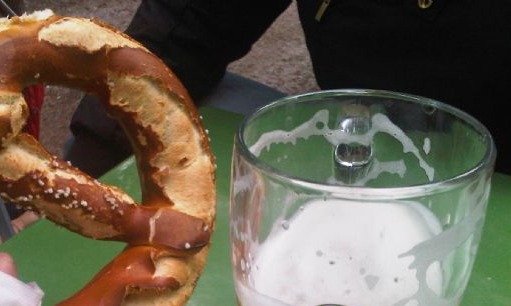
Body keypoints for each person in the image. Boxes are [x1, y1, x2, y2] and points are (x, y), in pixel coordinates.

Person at [66, 0, 511, 176]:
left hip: (497, 168)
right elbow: (191, 25)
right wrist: (80, 175)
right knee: (126, 128)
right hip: (353, 135)